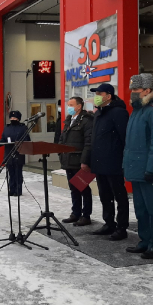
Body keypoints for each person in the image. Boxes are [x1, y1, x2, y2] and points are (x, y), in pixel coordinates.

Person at [123, 73, 153, 259]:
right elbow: (131, 144)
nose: (133, 93)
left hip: (149, 171)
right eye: (132, 89)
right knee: (141, 210)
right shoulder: (136, 111)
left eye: (136, 89)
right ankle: (144, 241)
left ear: (148, 90)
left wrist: (151, 168)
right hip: (136, 170)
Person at [88, 83, 130, 240]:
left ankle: (122, 226)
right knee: (105, 195)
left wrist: (124, 160)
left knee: (119, 195)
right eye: (95, 93)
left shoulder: (118, 113)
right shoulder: (99, 113)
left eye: (99, 93)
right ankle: (109, 223)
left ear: (108, 96)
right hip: (99, 162)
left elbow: (124, 137)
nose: (96, 96)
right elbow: (94, 139)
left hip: (114, 162)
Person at [60, 96, 94, 226]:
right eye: (68, 104)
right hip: (68, 159)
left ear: (79, 106)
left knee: (83, 188)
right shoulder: (68, 120)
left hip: (79, 161)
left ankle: (86, 215)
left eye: (71, 105)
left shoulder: (86, 121)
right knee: (73, 188)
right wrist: (60, 153)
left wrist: (85, 160)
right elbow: (62, 138)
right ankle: (76, 213)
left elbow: (88, 142)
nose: (69, 107)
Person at [0, 110, 31, 196]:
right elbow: (3, 138)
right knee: (11, 173)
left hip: (18, 154)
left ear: (18, 119)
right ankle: (11, 189)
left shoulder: (23, 128)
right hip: (9, 154)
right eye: (11, 117)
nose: (13, 119)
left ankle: (18, 189)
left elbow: (27, 140)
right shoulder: (7, 128)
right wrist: (0, 142)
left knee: (18, 173)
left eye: (15, 117)